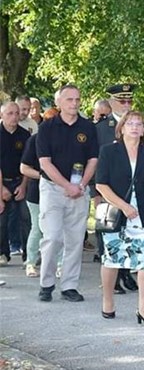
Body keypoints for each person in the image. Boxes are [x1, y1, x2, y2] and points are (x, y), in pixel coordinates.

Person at [36, 85, 99, 303]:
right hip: (53, 189)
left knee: (74, 240)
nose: (74, 103)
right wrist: (66, 185)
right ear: (59, 103)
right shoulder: (46, 128)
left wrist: (81, 185)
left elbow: (93, 159)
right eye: (69, 99)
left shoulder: (88, 127)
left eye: (77, 99)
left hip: (80, 190)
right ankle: (46, 283)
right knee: (52, 237)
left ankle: (69, 285)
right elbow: (45, 163)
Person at [95, 111, 144, 325]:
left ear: (143, 130)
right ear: (121, 128)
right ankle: (108, 301)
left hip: (143, 215)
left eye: (139, 124)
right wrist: (123, 206)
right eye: (130, 123)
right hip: (117, 214)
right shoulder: (109, 151)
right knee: (112, 260)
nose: (134, 127)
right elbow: (101, 184)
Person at [95, 84, 139, 294]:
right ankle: (112, 279)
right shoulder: (102, 127)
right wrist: (97, 193)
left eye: (130, 101)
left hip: (131, 189)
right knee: (111, 232)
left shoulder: (136, 125)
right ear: (112, 102)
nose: (127, 105)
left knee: (129, 233)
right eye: (122, 101)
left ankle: (125, 273)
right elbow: (95, 160)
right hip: (108, 189)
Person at [20, 109, 60, 278]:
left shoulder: (64, 140)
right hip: (37, 192)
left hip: (61, 191)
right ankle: (31, 262)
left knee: (59, 230)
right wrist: (45, 176)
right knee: (38, 228)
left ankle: (59, 264)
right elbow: (24, 168)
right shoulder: (34, 140)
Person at [1, 101, 31, 264]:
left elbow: (28, 163)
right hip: (1, 182)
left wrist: (23, 185)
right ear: (2, 115)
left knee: (26, 217)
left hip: (20, 181)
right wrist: (1, 189)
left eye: (16, 113)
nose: (14, 117)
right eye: (9, 113)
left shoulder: (25, 135)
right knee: (2, 219)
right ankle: (2, 253)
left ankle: (28, 254)